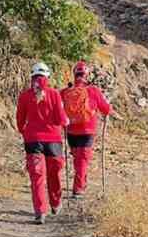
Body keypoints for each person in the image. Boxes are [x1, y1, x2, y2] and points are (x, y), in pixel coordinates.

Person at [16, 62, 68, 224]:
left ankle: (40, 211)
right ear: (48, 77)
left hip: (33, 141)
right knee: (54, 175)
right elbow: (61, 118)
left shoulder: (25, 96)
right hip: (53, 141)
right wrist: (66, 122)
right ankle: (55, 203)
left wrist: (26, 132)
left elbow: (19, 121)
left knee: (37, 176)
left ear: (32, 77)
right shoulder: (54, 94)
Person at [61, 61, 113, 197]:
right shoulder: (93, 90)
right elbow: (106, 109)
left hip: (71, 130)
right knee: (82, 160)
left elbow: (56, 107)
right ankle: (78, 189)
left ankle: (82, 182)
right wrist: (109, 110)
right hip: (87, 130)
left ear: (74, 75)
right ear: (86, 75)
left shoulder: (65, 91)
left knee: (78, 159)